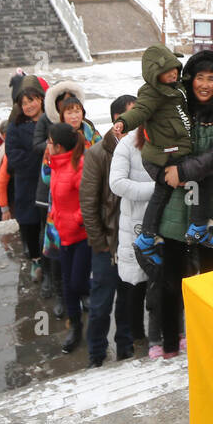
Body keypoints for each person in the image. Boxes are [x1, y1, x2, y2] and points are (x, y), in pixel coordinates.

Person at [153, 50, 213, 359]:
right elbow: (161, 145)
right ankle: (171, 343)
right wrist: (172, 165)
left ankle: (206, 340)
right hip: (177, 203)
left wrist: (185, 169)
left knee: (211, 278)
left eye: (212, 78)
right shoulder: (177, 110)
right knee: (173, 277)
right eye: (200, 77)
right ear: (190, 79)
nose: (205, 84)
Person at [119, 44, 213, 266]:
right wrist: (124, 122)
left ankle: (147, 237)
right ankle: (197, 227)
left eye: (174, 68)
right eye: (166, 71)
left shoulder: (178, 89)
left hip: (169, 154)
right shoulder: (153, 93)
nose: (173, 73)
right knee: (195, 180)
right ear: (156, 75)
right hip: (166, 156)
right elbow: (140, 111)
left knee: (161, 194)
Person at [82, 95, 137, 367]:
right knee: (102, 302)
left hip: (131, 240)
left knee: (128, 299)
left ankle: (126, 347)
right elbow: (89, 204)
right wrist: (100, 242)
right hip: (107, 243)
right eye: (130, 118)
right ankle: (96, 353)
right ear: (117, 122)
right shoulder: (97, 154)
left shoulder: (143, 149)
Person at [109, 94, 160, 358]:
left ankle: (157, 339)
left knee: (160, 286)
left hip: (163, 226)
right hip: (135, 227)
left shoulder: (169, 139)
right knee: (133, 289)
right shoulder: (127, 144)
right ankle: (131, 342)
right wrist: (157, 189)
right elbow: (116, 184)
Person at [47, 122, 91, 353]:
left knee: (77, 283)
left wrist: (75, 219)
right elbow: (55, 195)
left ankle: (98, 288)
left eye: (50, 142)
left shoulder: (78, 166)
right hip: (62, 233)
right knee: (68, 286)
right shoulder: (56, 165)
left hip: (81, 236)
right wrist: (55, 213)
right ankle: (75, 327)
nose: (48, 145)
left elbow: (89, 200)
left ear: (60, 146)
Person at [5, 75, 49, 278]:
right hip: (28, 183)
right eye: (23, 103)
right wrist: (42, 156)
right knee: (30, 224)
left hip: (51, 184)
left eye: (31, 100)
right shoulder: (15, 125)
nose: (28, 106)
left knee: (50, 225)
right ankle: (35, 260)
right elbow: (13, 156)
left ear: (40, 99)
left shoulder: (52, 120)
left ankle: (51, 263)